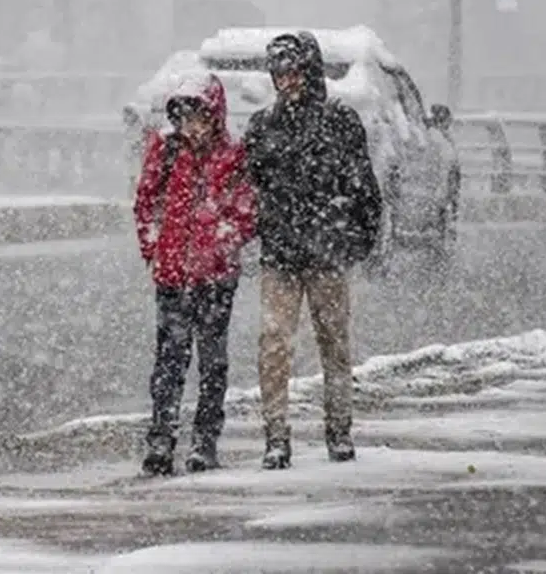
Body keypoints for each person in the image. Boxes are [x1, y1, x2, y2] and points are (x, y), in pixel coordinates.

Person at [242, 30, 383, 470]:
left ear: (310, 72)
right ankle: (276, 436)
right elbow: (249, 187)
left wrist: (354, 243)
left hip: (325, 254)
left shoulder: (340, 122)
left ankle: (338, 430)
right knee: (275, 345)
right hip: (282, 254)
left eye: (293, 71)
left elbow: (363, 188)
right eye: (279, 73)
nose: (286, 81)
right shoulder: (262, 126)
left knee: (333, 343)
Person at [133, 72, 256, 475]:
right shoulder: (167, 151)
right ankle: (161, 439)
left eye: (199, 117)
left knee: (212, 362)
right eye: (185, 118)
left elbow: (246, 211)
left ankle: (205, 441)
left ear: (214, 116)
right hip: (172, 276)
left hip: (216, 278)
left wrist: (221, 243)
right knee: (169, 362)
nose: (192, 127)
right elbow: (146, 202)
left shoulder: (233, 155)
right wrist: (154, 247)